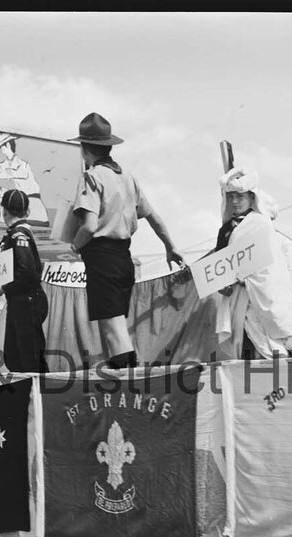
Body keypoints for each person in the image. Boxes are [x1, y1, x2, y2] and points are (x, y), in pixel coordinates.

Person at [65, 112, 184, 369]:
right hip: (124, 259)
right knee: (118, 326)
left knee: (112, 330)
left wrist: (75, 245)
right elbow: (154, 218)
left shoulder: (91, 177)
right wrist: (170, 247)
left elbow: (89, 225)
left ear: (85, 150)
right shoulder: (129, 178)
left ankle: (126, 384)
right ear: (109, 147)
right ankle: (125, 377)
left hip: (101, 259)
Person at [212, 167, 292, 359]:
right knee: (243, 350)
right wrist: (222, 285)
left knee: (271, 350)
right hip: (237, 301)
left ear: (252, 198)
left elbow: (272, 268)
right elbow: (220, 267)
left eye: (240, 197)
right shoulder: (225, 230)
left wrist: (249, 280)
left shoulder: (262, 224)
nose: (235, 202)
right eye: (231, 197)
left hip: (261, 297)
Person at [0, 189, 49, 373]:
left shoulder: (19, 236)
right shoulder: (16, 234)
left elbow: (27, 272)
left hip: (27, 301)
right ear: (27, 212)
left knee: (29, 359)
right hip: (20, 301)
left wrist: (2, 287)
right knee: (14, 356)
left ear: (4, 211)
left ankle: (40, 398)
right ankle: (27, 397)